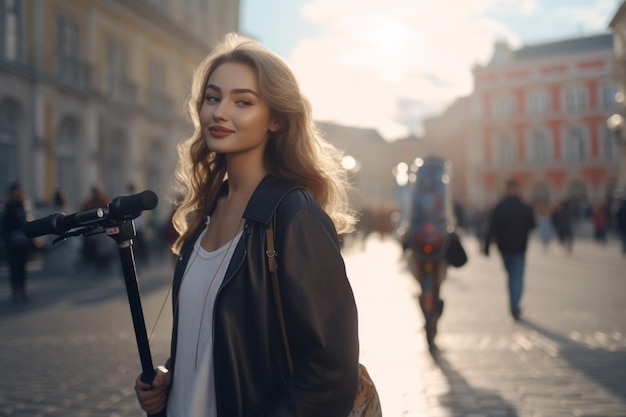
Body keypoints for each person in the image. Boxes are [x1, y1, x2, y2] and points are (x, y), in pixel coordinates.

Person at [134, 33, 361, 417]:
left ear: (275, 118)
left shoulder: (294, 214)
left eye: (242, 101)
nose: (220, 112)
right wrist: (168, 378)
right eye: (212, 97)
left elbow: (330, 370)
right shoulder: (204, 214)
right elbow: (214, 342)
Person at [482, 179, 536, 321]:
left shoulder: (499, 207)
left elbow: (491, 228)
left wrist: (487, 247)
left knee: (511, 277)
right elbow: (532, 225)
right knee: (516, 278)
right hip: (520, 248)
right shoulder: (524, 206)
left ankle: (514, 305)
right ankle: (514, 306)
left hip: (504, 248)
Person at [1, 182, 33, 303]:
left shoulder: (24, 204)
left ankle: (22, 291)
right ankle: (15, 291)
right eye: (17, 190)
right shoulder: (10, 206)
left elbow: (27, 220)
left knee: (22, 267)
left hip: (23, 241)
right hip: (13, 242)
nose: (19, 193)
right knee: (14, 268)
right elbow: (6, 225)